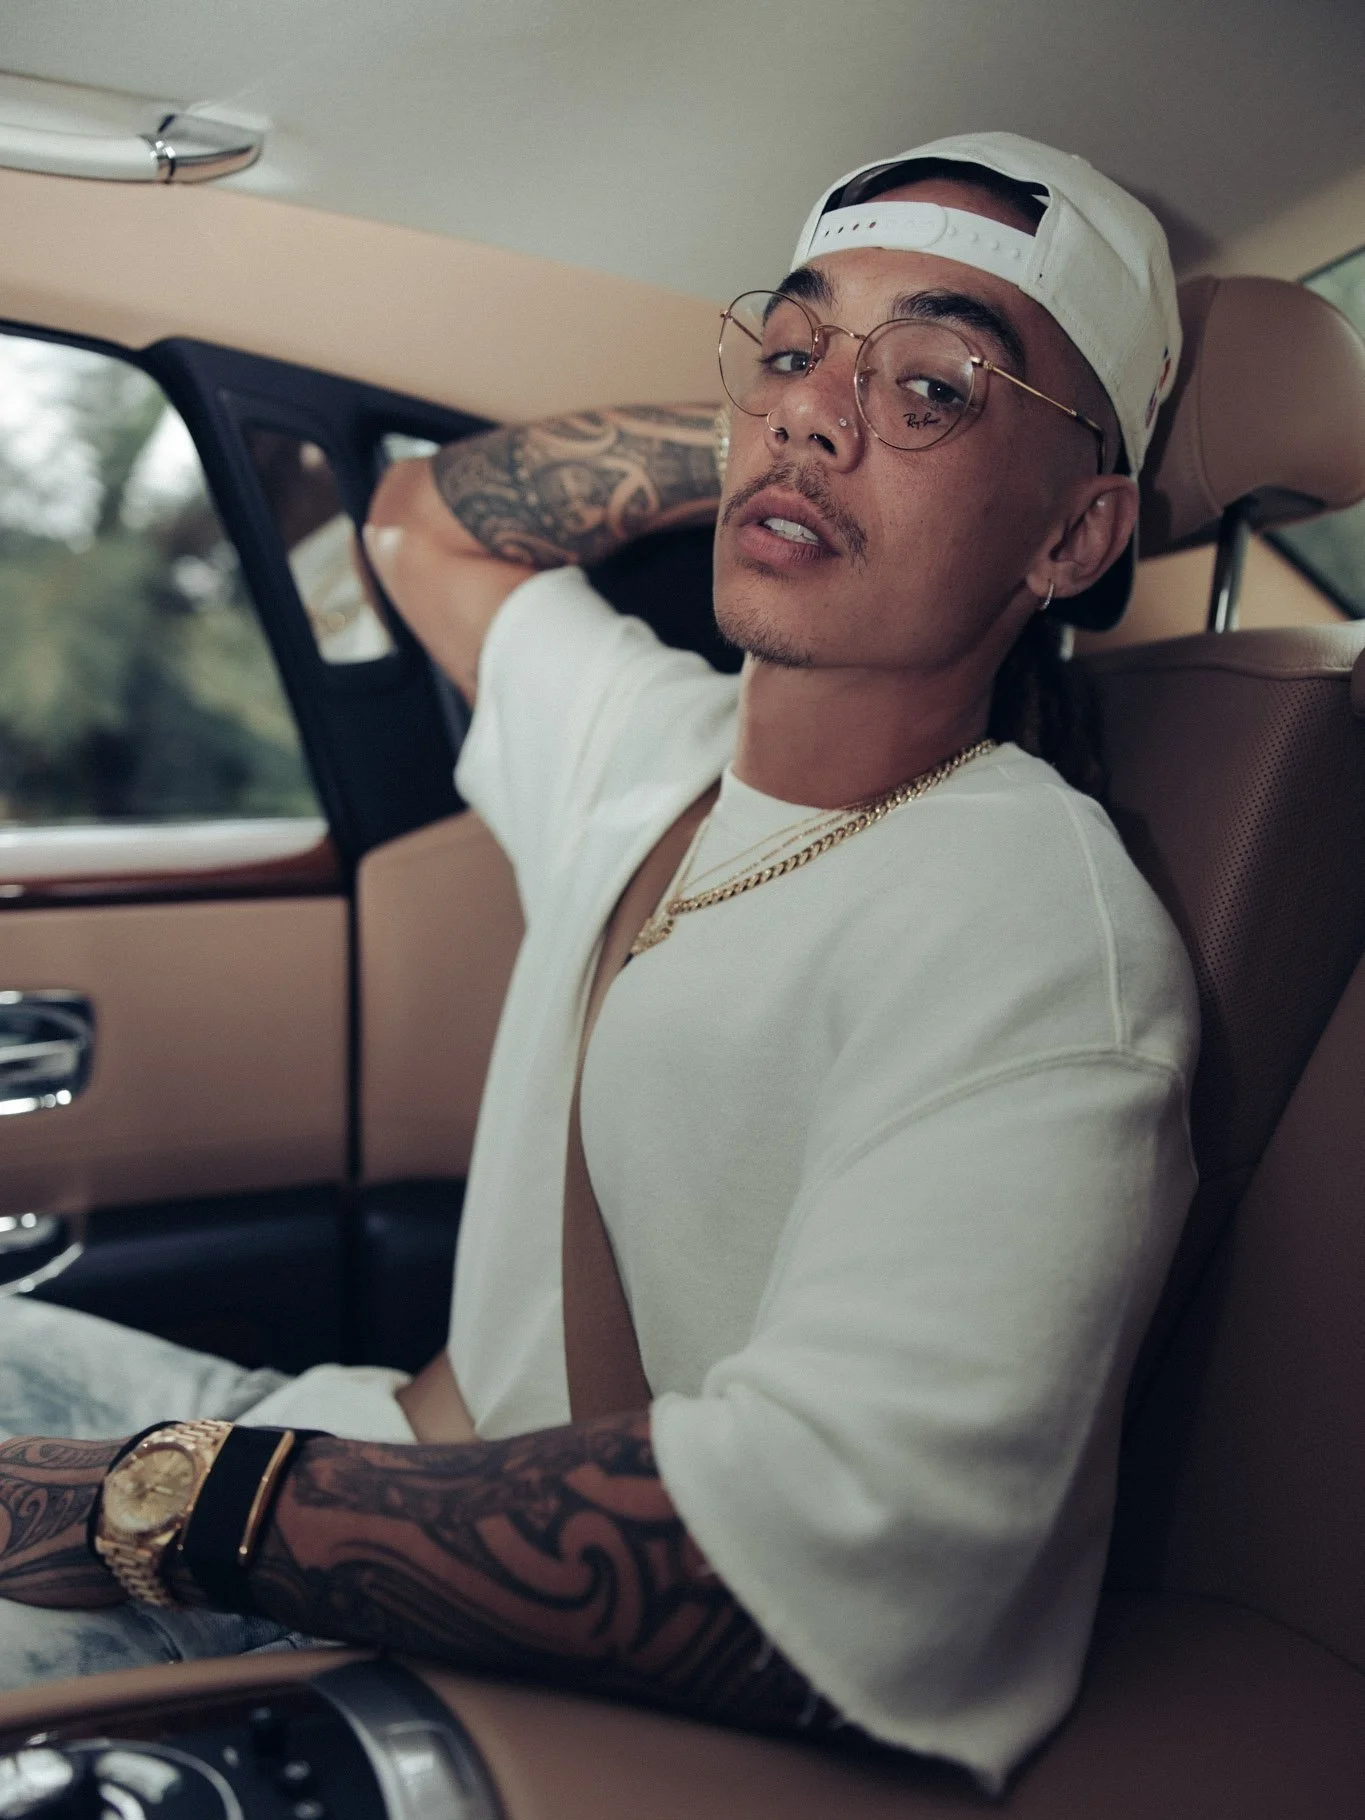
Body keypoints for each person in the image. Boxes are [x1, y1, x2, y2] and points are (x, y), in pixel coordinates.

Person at [0, 132, 1196, 1793]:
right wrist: (807, 433)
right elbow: (424, 529)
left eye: (936, 387)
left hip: (429, 1608)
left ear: (1076, 540)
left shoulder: (1034, 925)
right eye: (787, 351)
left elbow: (832, 1555)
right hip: (336, 1426)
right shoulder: (658, 752)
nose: (810, 410)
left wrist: (127, 1501)